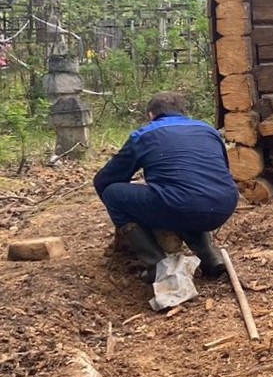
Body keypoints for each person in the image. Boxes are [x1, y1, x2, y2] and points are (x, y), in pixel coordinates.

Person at [94, 91, 238, 279]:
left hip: (180, 204)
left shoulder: (144, 134)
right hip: (224, 205)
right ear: (184, 112)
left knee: (113, 193)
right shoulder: (208, 130)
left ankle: (158, 265)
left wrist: (135, 215)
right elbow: (218, 173)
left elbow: (105, 180)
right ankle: (210, 257)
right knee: (185, 196)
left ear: (151, 116)